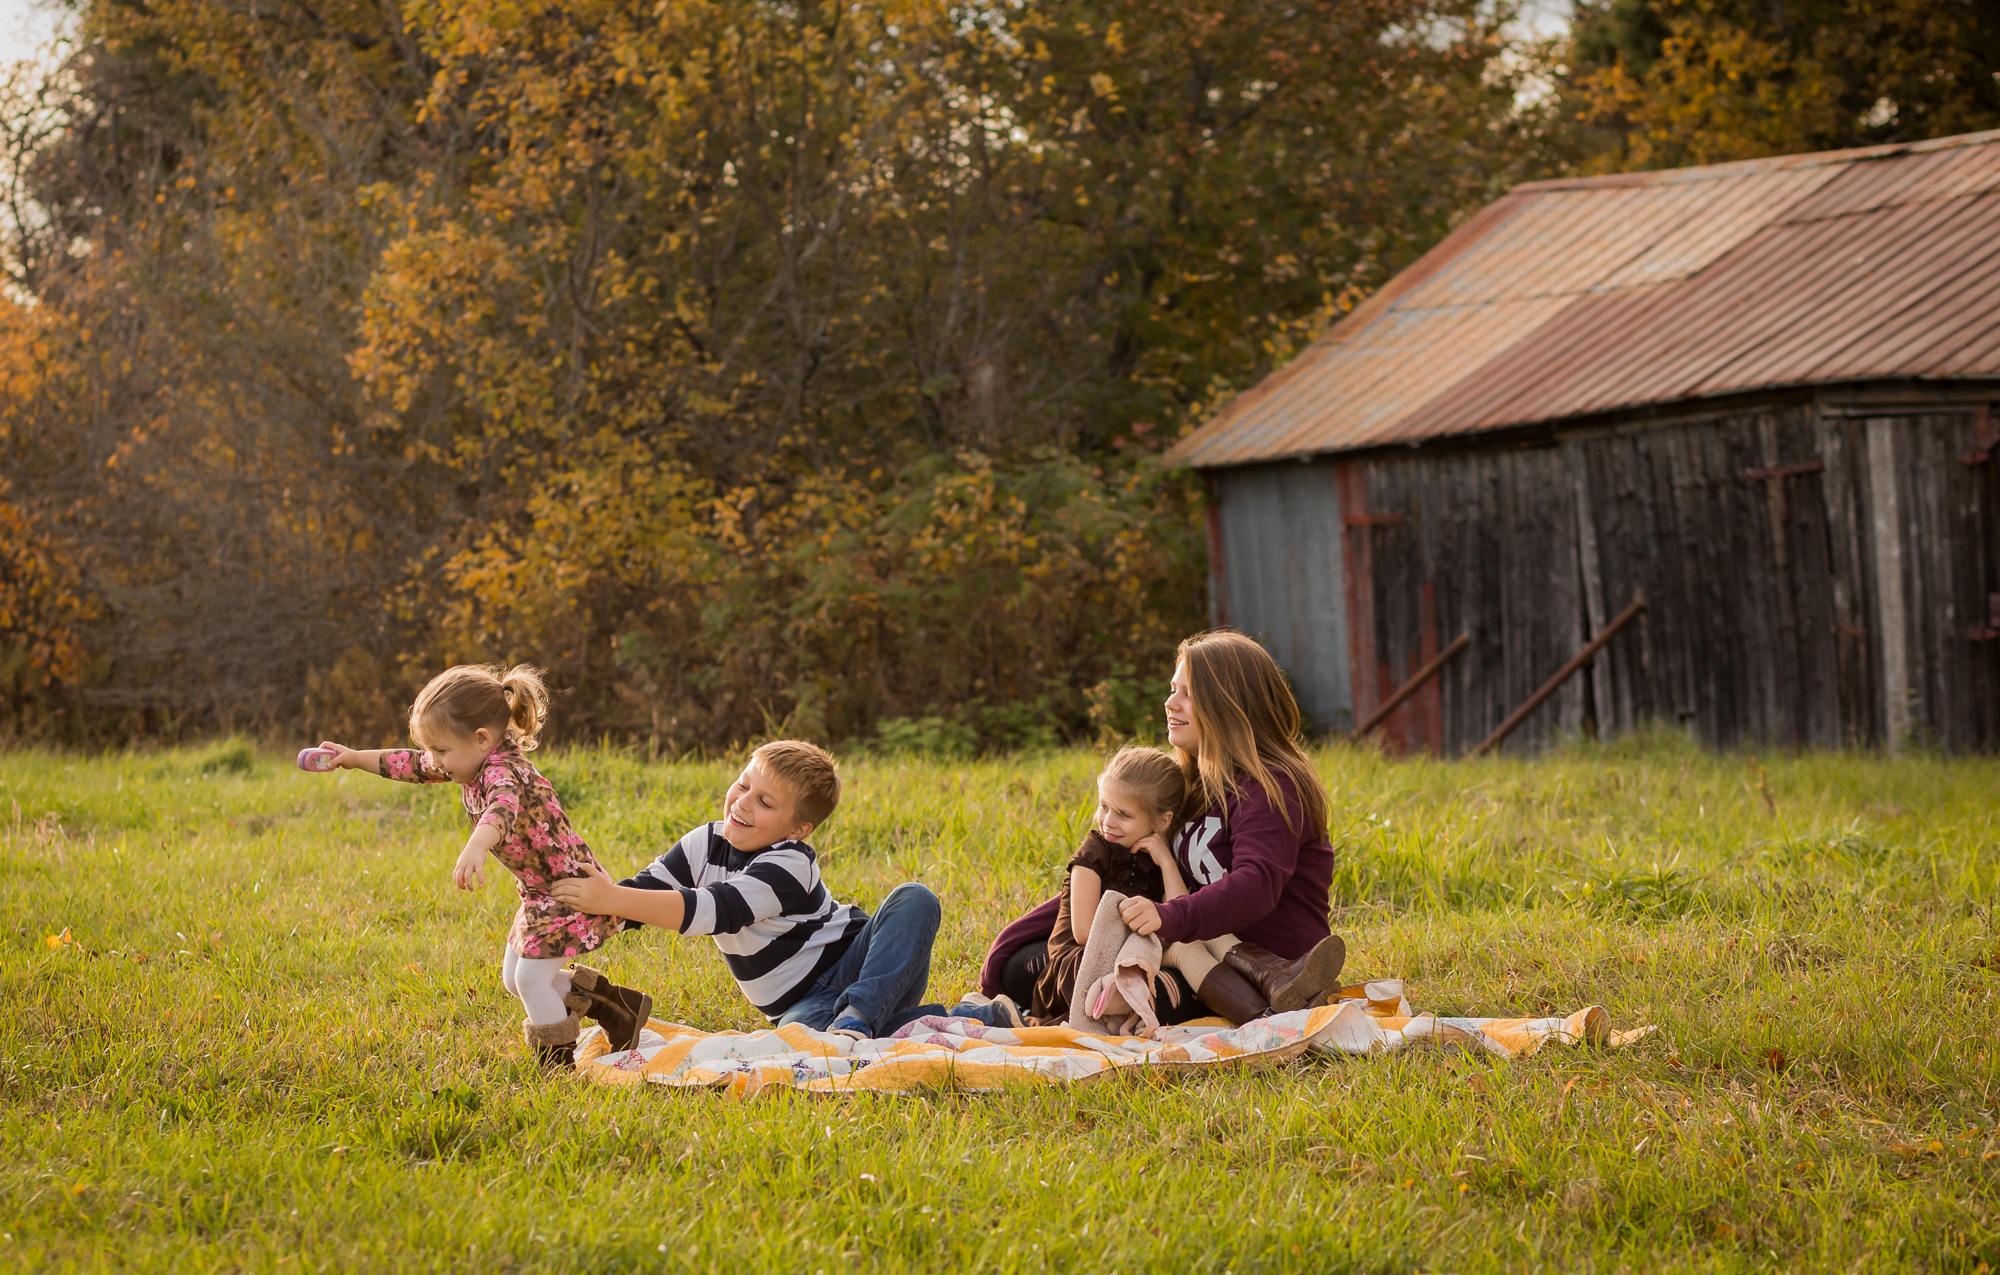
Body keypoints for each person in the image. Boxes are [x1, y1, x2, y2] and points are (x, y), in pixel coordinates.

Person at [551, 740, 1024, 1039]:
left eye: (765, 802)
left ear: (797, 829)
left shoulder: (789, 863)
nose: (742, 803)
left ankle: (860, 1016)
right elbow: (642, 896)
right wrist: (572, 907)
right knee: (798, 1032)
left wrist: (611, 898)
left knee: (914, 897)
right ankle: (967, 1017)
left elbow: (715, 910)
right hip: (803, 1006)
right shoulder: (704, 843)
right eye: (742, 786)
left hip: (864, 965)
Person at [309, 664, 654, 1070]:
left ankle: (557, 1066)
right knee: (515, 980)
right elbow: (409, 763)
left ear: (481, 739)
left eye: (440, 750)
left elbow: (501, 810)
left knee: (529, 980)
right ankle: (618, 1006)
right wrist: (353, 758)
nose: (434, 761)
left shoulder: (503, 770)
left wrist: (475, 847)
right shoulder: (470, 756)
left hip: (570, 889)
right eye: (432, 750)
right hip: (541, 892)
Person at [983, 631, 1344, 1018]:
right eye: (1173, 689)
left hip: (1262, 959)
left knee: (1093, 988)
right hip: (1181, 943)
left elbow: (1255, 885)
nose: (1170, 703)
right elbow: (1115, 875)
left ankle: (1280, 997)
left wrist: (1170, 917)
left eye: (1187, 693)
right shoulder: (1191, 785)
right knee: (1019, 966)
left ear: (1229, 703)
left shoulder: (1273, 786)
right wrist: (1017, 935)